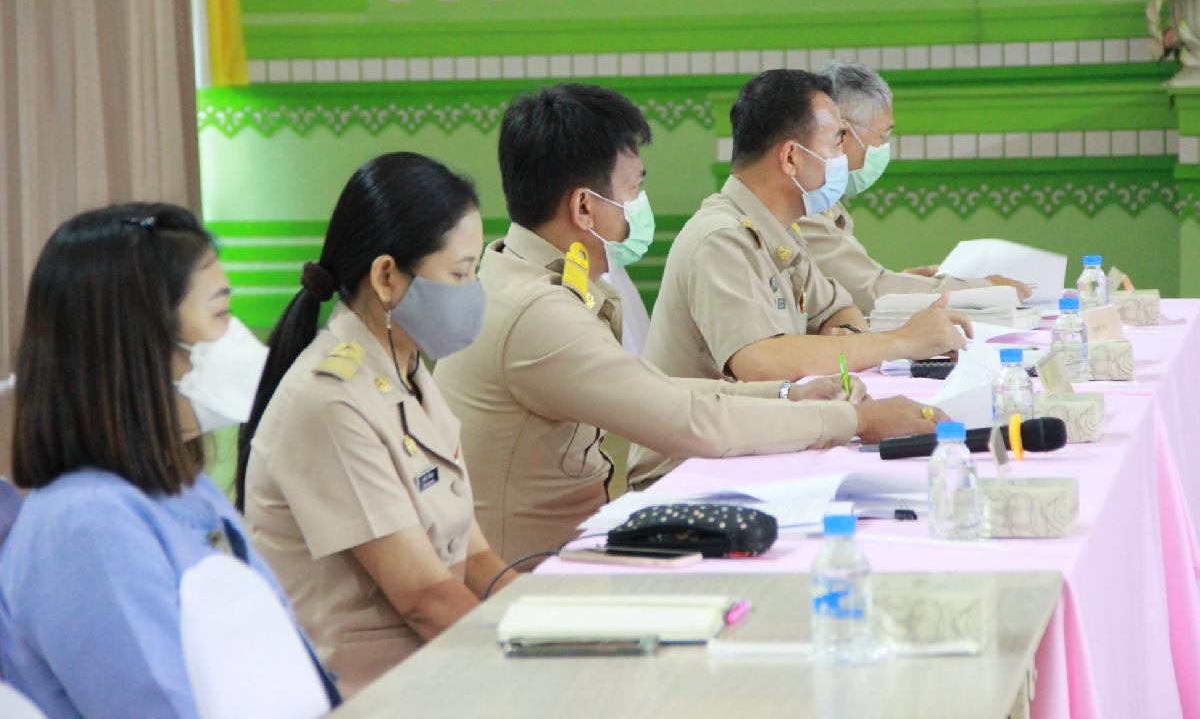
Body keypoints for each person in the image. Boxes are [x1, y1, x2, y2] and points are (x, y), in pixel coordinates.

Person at [433, 83, 945, 562]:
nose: (636, 208)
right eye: (632, 190)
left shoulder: (526, 275)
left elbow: (653, 387)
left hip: (570, 549)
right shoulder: (539, 311)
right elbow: (690, 420)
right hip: (530, 575)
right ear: (585, 207)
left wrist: (788, 396)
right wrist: (855, 421)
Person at [0, 204, 337, 718]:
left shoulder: (180, 486)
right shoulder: (85, 525)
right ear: (141, 341)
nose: (238, 337)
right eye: (220, 314)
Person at [237, 153, 517, 697]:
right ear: (387, 277)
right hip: (363, 692)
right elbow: (424, 599)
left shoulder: (404, 368)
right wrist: (522, 660)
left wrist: (549, 619)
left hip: (427, 674)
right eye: (460, 274)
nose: (473, 291)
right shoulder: (330, 399)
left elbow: (475, 557)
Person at [629, 70, 971, 486]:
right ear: (791, 157)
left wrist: (843, 340)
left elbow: (839, 308)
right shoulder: (720, 239)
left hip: (749, 443)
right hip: (685, 469)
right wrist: (902, 341)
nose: (844, 158)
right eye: (836, 142)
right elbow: (760, 362)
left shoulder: (779, 228)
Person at [794, 60, 1031, 313]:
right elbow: (871, 294)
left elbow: (849, 287)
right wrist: (983, 289)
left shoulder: (826, 201)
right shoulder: (803, 203)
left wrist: (903, 281)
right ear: (843, 129)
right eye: (883, 136)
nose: (883, 148)